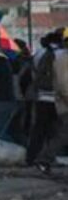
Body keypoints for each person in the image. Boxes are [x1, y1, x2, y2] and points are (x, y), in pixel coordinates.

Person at [35, 27, 68, 174]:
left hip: (60, 100)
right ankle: (44, 158)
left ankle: (44, 158)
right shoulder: (60, 58)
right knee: (62, 133)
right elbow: (62, 84)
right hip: (63, 101)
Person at [28, 30, 63, 165]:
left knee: (39, 129)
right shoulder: (59, 55)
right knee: (57, 130)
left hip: (41, 96)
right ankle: (48, 157)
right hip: (56, 98)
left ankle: (32, 157)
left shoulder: (40, 54)